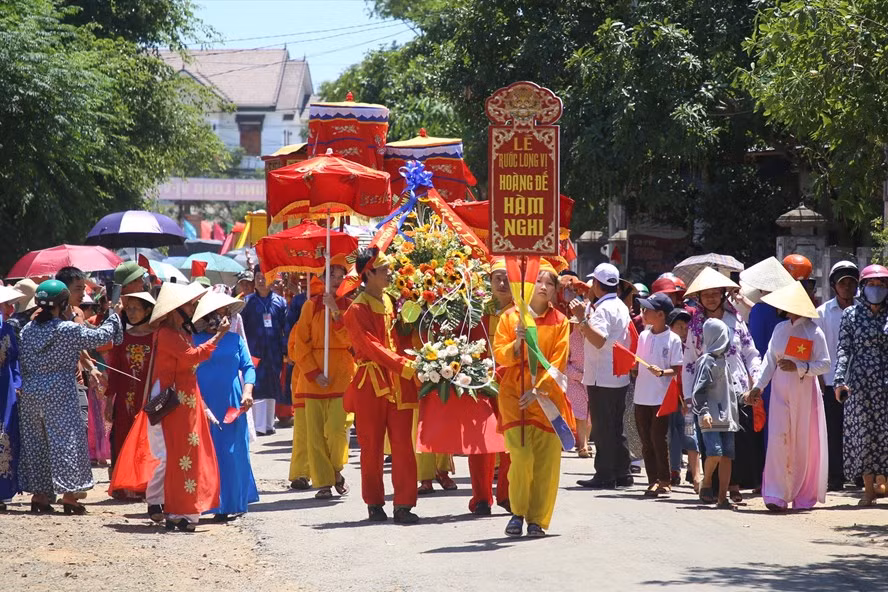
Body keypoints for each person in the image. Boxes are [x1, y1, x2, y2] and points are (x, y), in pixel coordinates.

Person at [111, 281, 225, 531]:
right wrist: (219, 336)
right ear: (177, 309)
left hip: (185, 401)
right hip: (173, 402)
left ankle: (174, 508)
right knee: (175, 456)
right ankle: (179, 510)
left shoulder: (182, 333)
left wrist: (202, 404)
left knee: (180, 455)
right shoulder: (167, 334)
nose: (193, 308)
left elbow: (189, 369)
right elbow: (192, 358)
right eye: (190, 305)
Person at [18, 280, 123, 514]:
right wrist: (114, 315)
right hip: (60, 392)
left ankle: (40, 496)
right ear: (63, 303)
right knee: (65, 442)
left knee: (37, 444)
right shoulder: (66, 329)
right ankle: (69, 497)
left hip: (31, 393)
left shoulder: (27, 330)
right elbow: (100, 337)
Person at [495, 260, 570, 537]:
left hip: (547, 398)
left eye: (550, 283)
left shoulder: (560, 322)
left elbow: (558, 361)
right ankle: (517, 512)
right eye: (539, 280)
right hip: (515, 396)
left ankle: (536, 519)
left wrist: (538, 390)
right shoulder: (510, 317)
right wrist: (517, 342)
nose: (544, 287)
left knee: (545, 463)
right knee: (521, 457)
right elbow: (500, 354)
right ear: (527, 284)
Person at [343, 248, 419, 524]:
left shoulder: (391, 300)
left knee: (403, 445)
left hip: (398, 381)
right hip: (372, 383)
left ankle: (404, 505)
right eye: (384, 270)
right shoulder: (356, 310)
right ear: (369, 273)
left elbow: (399, 339)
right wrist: (405, 366)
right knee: (371, 446)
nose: (389, 274)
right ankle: (374, 503)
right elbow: (371, 347)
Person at [747, 281, 828, 511]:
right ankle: (776, 494)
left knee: (801, 441)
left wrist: (800, 367)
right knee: (778, 438)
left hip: (804, 393)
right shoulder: (780, 329)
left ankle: (803, 494)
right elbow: (769, 360)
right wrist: (759, 387)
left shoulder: (814, 332)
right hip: (780, 392)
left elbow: (825, 364)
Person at [682, 268, 761, 502]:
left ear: (723, 294)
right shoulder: (696, 326)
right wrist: (689, 396)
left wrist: (756, 378)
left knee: (737, 441)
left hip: (737, 389)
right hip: (708, 393)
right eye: (706, 295)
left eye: (715, 293)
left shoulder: (735, 320)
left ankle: (733, 485)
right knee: (711, 442)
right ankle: (712, 487)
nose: (711, 298)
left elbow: (750, 351)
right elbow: (689, 362)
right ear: (699, 298)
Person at [289, 260, 355, 500]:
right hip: (314, 378)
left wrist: (335, 311)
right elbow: (299, 344)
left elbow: (350, 339)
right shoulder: (310, 306)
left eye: (340, 276)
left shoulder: (350, 306)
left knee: (338, 429)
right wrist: (314, 372)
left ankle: (335, 469)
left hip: (341, 375)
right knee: (315, 435)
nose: (336, 280)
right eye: (332, 276)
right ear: (323, 279)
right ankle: (324, 482)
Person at [192, 290, 258, 520]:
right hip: (203, 401)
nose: (224, 316)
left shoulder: (235, 340)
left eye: (226, 312)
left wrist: (248, 391)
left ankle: (232, 503)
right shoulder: (194, 341)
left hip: (232, 402)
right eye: (220, 312)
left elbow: (248, 368)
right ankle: (210, 503)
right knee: (209, 453)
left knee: (234, 453)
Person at [571, 263, 633, 489]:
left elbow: (598, 340)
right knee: (615, 426)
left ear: (597, 284)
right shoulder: (619, 305)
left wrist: (581, 318)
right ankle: (622, 472)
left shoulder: (604, 309)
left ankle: (605, 474)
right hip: (616, 374)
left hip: (602, 375)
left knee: (603, 427)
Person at [833, 264, 888, 506]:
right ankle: (868, 490)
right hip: (860, 383)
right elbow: (844, 349)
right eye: (871, 285)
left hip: (885, 382)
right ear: (863, 288)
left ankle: (883, 481)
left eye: (881, 285)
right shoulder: (851, 315)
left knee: (885, 433)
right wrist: (839, 381)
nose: (876, 289)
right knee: (864, 434)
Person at [692, 318, 748, 509]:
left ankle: (722, 497)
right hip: (711, 416)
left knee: (727, 456)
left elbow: (730, 390)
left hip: (728, 417)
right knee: (715, 453)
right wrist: (704, 411)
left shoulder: (724, 361)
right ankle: (707, 481)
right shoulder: (706, 361)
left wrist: (744, 398)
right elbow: (699, 390)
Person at [105, 292, 157, 498]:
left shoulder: (158, 337)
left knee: (148, 440)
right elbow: (114, 371)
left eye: (136, 308)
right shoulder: (122, 338)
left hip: (149, 397)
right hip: (125, 398)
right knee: (123, 438)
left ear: (148, 310)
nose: (131, 312)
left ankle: (145, 485)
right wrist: (109, 401)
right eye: (129, 308)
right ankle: (123, 485)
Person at [633, 293, 683, 497]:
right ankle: (652, 480)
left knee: (658, 438)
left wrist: (662, 372)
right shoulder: (644, 335)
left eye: (648, 310)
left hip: (661, 397)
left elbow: (676, 368)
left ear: (661, 314)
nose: (643, 313)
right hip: (641, 395)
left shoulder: (673, 339)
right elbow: (637, 363)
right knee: (646, 440)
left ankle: (664, 479)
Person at [814, 260, 858, 491]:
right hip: (831, 382)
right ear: (834, 286)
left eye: (851, 282)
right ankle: (835, 475)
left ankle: (860, 474)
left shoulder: (864, 311)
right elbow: (815, 349)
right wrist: (820, 381)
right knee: (833, 430)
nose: (847, 287)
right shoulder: (822, 313)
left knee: (859, 430)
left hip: (859, 382)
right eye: (843, 283)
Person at [241, 267, 288, 435]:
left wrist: (286, 350)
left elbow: (285, 328)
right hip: (254, 351)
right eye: (258, 277)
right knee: (257, 385)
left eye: (264, 277)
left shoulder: (280, 302)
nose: (261, 281)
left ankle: (269, 424)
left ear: (272, 279)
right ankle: (258, 426)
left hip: (274, 351)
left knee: (273, 384)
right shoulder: (246, 302)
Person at [667, 308, 700, 491]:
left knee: (690, 435)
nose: (683, 329)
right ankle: (673, 470)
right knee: (671, 436)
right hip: (668, 398)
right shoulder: (667, 345)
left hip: (687, 400)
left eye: (686, 326)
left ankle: (695, 475)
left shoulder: (694, 346)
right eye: (679, 325)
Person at [0, 285, 25, 511]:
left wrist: (17, 384)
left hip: (5, 388)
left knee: (5, 432)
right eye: (6, 305)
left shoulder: (7, 329)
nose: (10, 309)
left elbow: (14, 359)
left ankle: (3, 491)